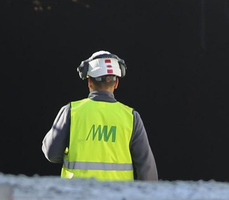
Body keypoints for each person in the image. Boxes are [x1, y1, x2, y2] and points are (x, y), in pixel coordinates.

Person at [41, 50, 158, 181]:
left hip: (77, 194)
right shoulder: (131, 117)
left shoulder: (71, 111)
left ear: (89, 82)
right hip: (119, 194)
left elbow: (51, 154)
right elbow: (147, 168)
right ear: (116, 83)